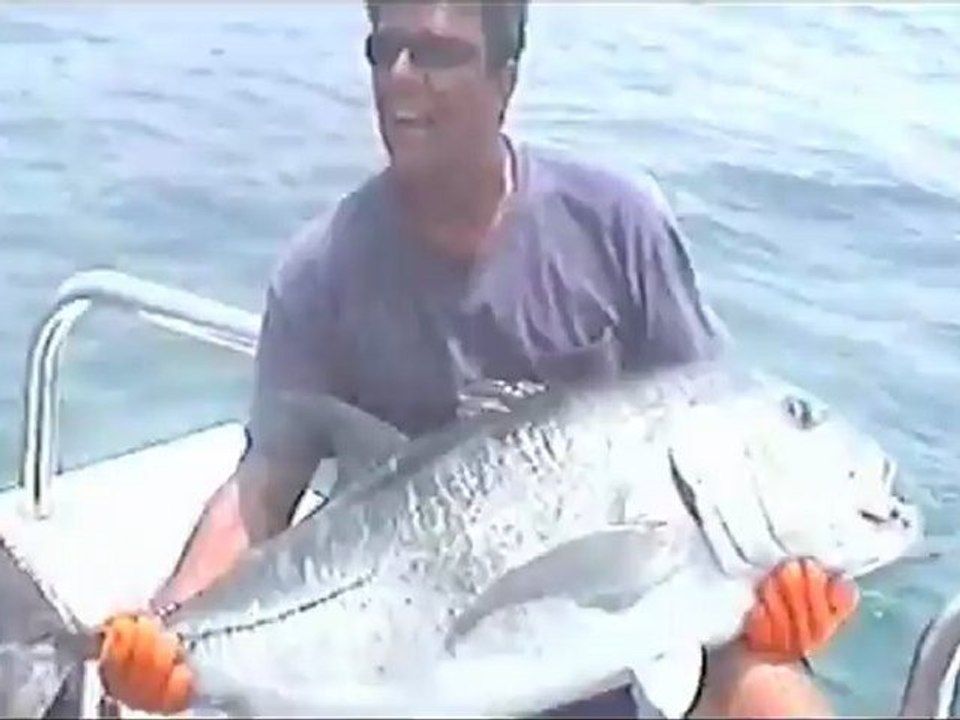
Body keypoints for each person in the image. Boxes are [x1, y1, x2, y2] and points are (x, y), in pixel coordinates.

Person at [96, 1, 859, 717]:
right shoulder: (317, 274)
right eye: (383, 49)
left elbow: (709, 415)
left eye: (435, 53)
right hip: (406, 663)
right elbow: (263, 486)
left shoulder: (617, 225)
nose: (399, 76)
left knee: (769, 688)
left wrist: (780, 600)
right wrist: (161, 631)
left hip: (614, 639)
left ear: (507, 80)